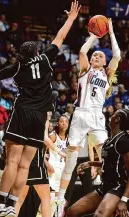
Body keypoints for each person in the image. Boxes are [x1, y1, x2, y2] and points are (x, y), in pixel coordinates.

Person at [0, 2, 81, 216]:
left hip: (22, 113)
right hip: (40, 117)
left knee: (12, 160)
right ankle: (11, 207)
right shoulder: (47, 58)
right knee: (24, 165)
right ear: (37, 52)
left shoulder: (18, 66)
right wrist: (71, 19)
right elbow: (60, 37)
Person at [57, 18, 122, 216]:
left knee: (107, 153)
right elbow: (84, 51)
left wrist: (110, 32)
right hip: (80, 113)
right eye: (95, 55)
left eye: (100, 55)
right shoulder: (85, 71)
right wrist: (93, 36)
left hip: (97, 117)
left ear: (104, 62)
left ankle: (109, 185)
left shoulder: (107, 74)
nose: (96, 56)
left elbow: (117, 55)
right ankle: (60, 198)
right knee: (72, 156)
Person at [66, 109, 129, 217]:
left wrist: (124, 200)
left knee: (99, 215)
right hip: (105, 186)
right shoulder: (109, 140)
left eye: (113, 115)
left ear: (118, 119)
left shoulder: (124, 141)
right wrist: (90, 163)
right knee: (72, 212)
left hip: (119, 187)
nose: (110, 117)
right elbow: (110, 163)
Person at [15, 113, 67, 217]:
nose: (50, 114)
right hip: (35, 160)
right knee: (46, 197)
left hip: (23, 159)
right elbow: (44, 138)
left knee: (20, 197)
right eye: (49, 112)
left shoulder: (26, 117)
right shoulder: (42, 119)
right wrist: (59, 151)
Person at [48, 115, 69, 216]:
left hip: (62, 168)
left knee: (59, 196)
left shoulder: (69, 137)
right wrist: (46, 164)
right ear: (57, 123)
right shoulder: (53, 135)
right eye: (62, 121)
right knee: (52, 196)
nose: (64, 123)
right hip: (52, 167)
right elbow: (41, 150)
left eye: (66, 121)